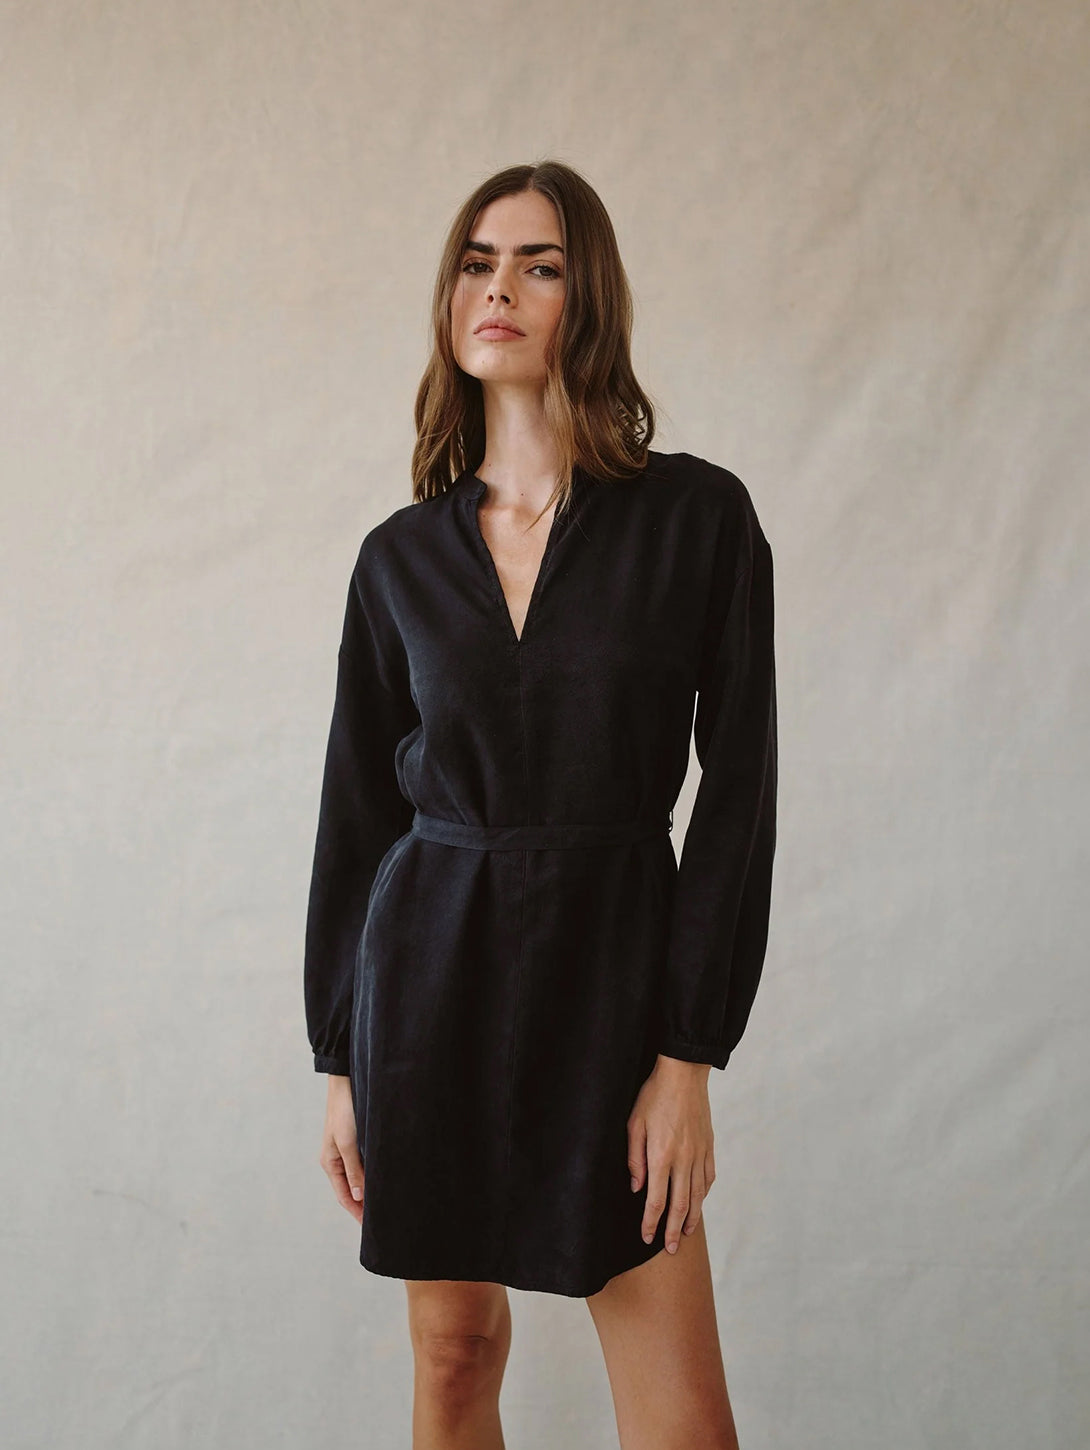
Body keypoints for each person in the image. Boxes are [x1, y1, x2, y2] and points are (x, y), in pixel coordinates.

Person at [303, 159, 777, 1450]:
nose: (498, 287)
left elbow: (737, 793)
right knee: (454, 1355)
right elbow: (356, 816)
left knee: (681, 1417)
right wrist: (341, 1057)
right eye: (476, 262)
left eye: (538, 264)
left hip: (613, 984)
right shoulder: (399, 559)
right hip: (429, 984)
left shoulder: (697, 521)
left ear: (590, 297)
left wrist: (686, 1054)